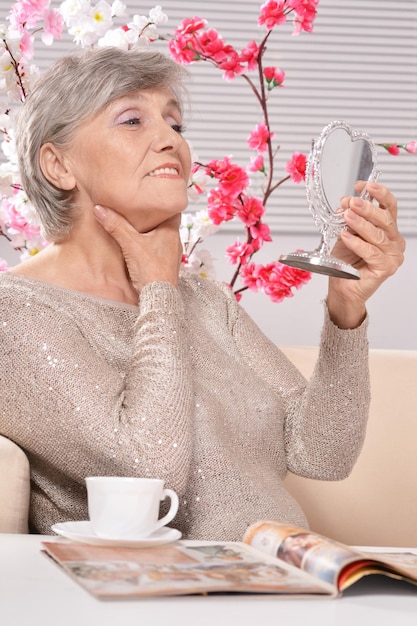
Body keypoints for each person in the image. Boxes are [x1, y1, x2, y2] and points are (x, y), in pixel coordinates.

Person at [0, 47, 405, 540]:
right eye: (132, 120)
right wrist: (158, 288)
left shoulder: (206, 301)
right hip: (155, 600)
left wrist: (345, 307)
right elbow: (148, 468)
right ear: (58, 165)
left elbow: (321, 453)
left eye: (176, 125)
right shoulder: (16, 311)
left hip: (287, 579)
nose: (170, 140)